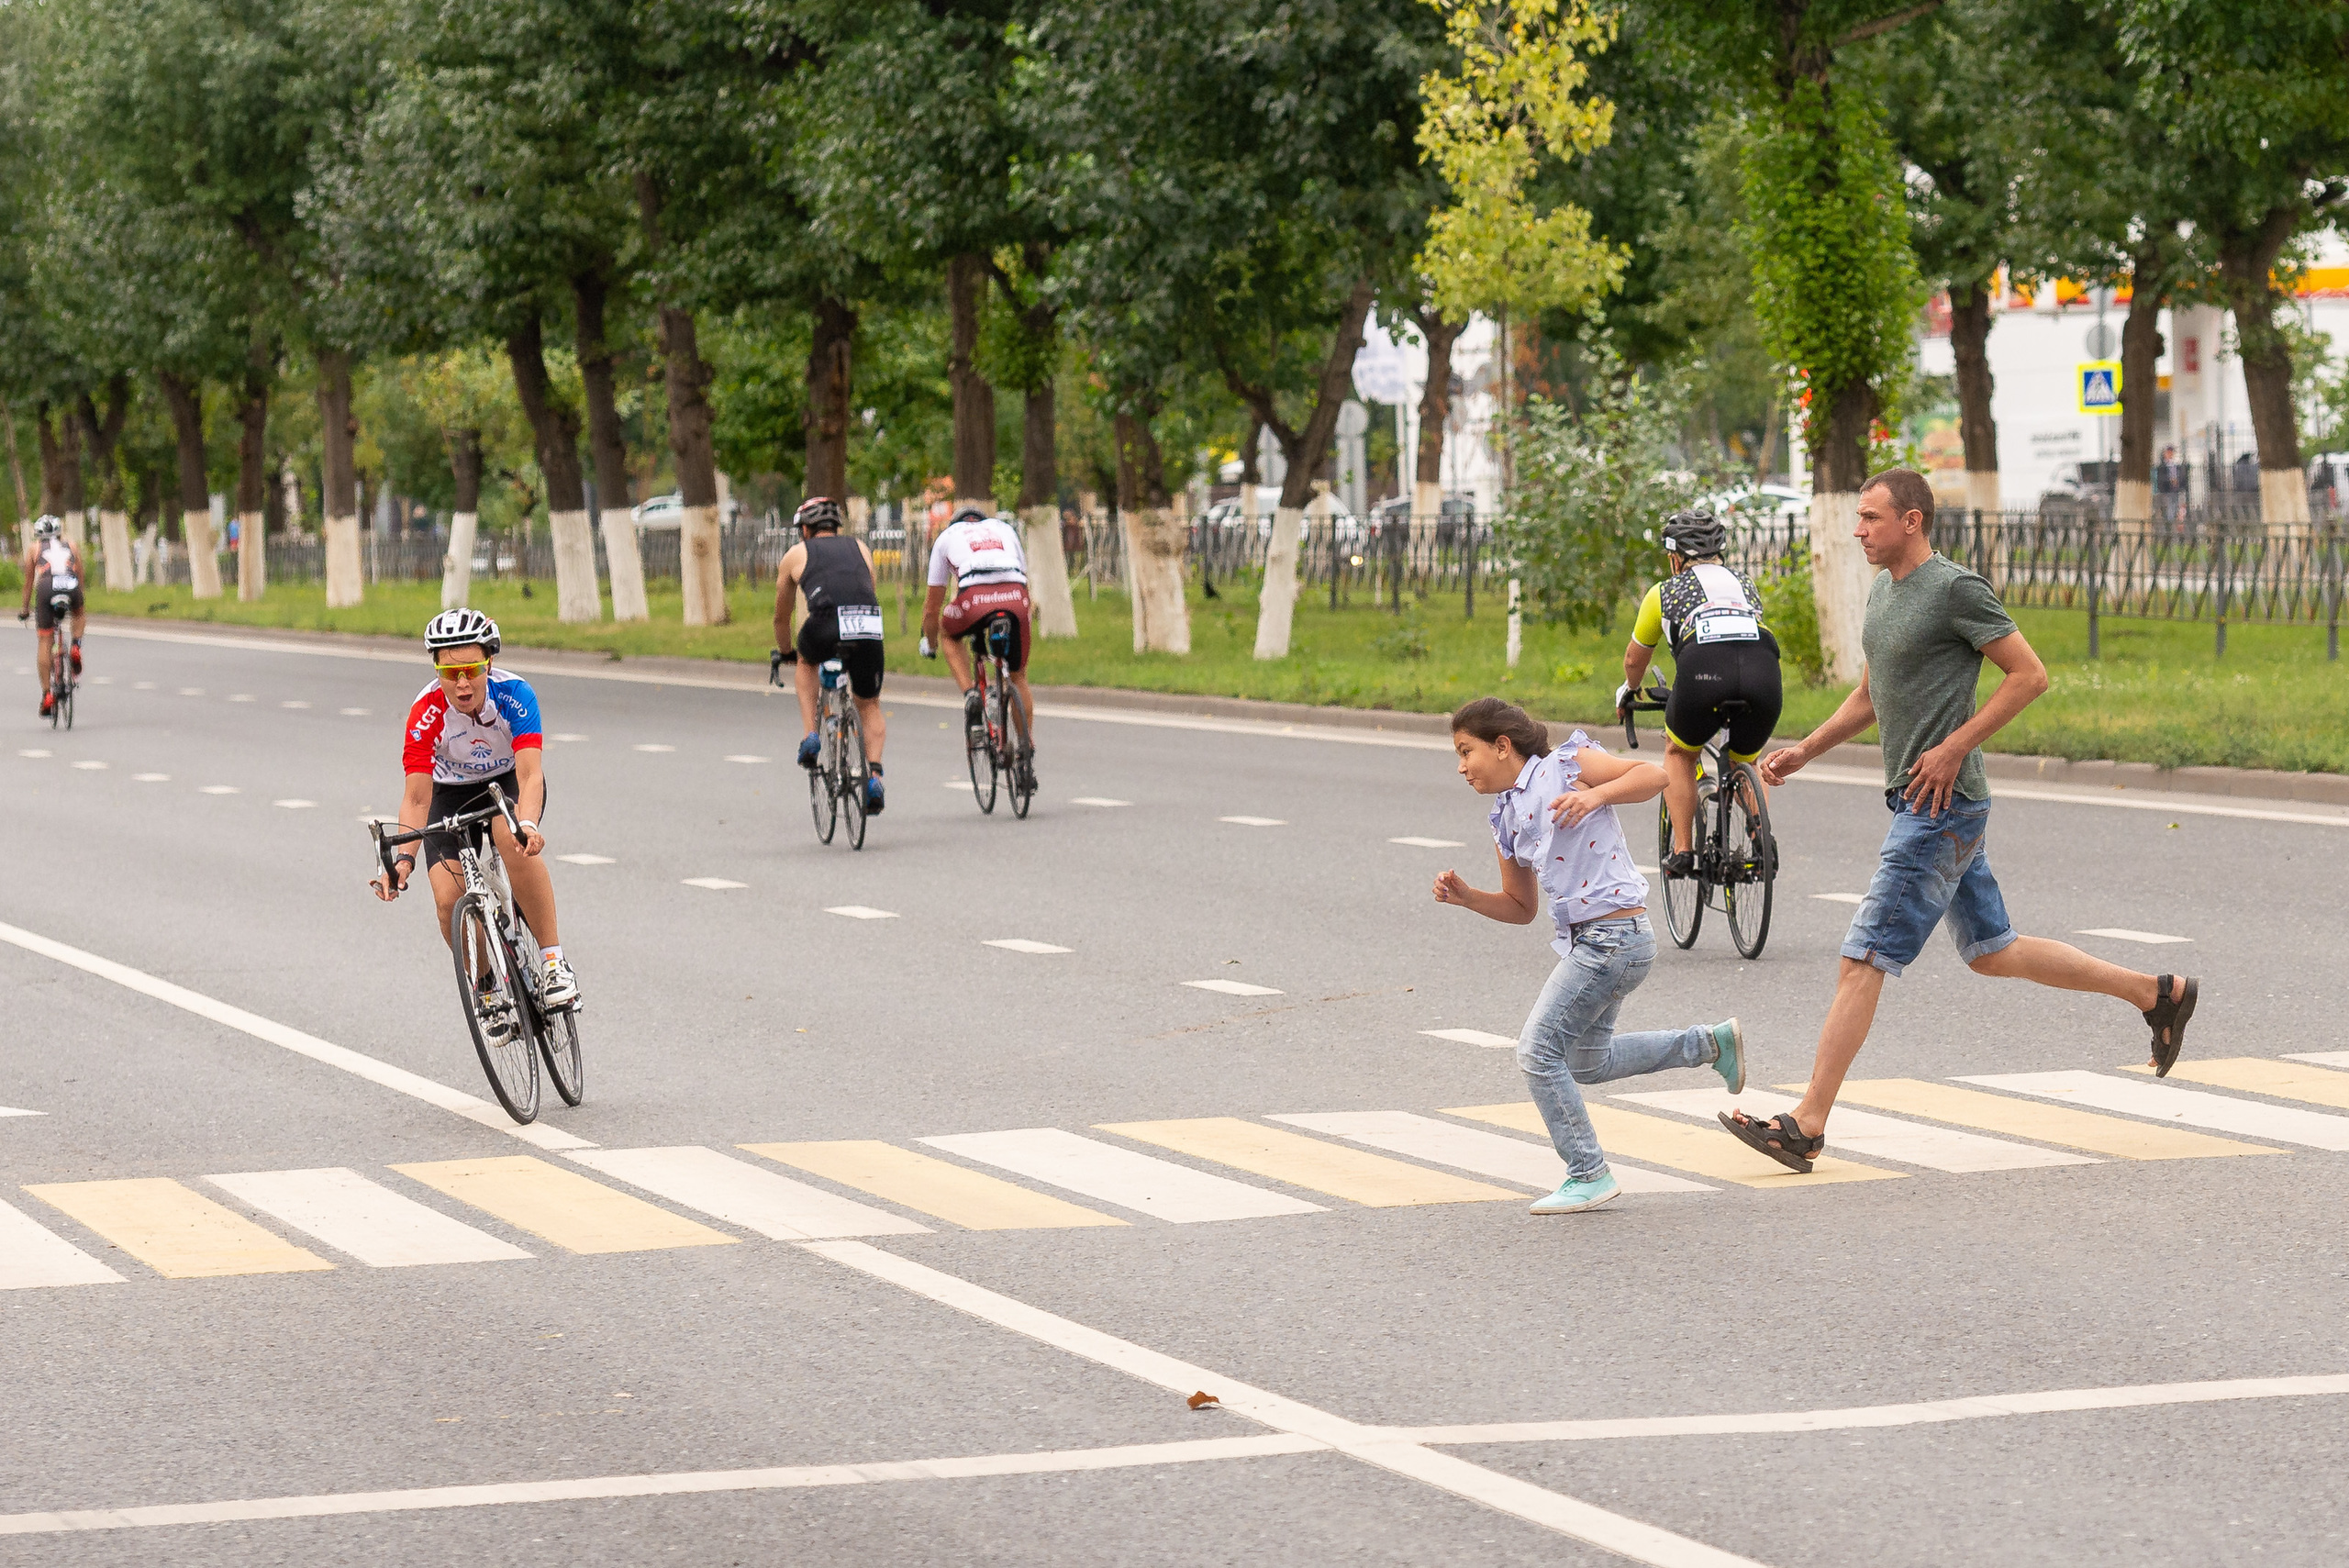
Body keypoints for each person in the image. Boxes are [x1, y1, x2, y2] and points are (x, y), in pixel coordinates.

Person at [1723, 467, 2198, 1173]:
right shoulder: (1884, 594)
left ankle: (1807, 1122)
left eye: (1872, 518)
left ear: (1912, 520)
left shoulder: (1954, 589)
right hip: (1928, 802)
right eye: (1856, 517)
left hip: (1939, 808)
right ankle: (2156, 993)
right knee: (1991, 950)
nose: (1858, 530)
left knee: (1862, 957)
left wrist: (1953, 746)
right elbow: (1871, 694)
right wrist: (1806, 751)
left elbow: (2029, 675)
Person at [1435, 696, 1749, 1215]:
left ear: (1502, 745)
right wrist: (1468, 897)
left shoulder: (1566, 764)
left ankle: (1588, 1172)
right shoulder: (1505, 817)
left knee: (1537, 1052)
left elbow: (1655, 778)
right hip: (1594, 943)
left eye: (1467, 751)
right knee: (1586, 1061)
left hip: (1615, 938)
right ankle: (1709, 1046)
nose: (1462, 767)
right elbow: (1520, 907)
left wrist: (1595, 796)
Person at [370, 608, 576, 1029]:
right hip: (450, 794)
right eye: (450, 673)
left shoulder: (516, 694)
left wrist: (529, 825)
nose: (462, 684)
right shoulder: (425, 712)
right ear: (437, 671)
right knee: (448, 899)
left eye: (471, 670)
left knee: (509, 833)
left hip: (508, 783)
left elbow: (530, 774)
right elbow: (416, 797)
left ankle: (555, 963)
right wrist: (402, 862)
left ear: (489, 664)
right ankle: (485, 986)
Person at [1617, 506, 1782, 874]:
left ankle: (1683, 852)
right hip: (1763, 671)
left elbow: (1634, 661)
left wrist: (1629, 691)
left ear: (1675, 558)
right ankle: (1762, 841)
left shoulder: (1663, 592)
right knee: (1745, 759)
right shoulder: (1745, 583)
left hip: (1703, 672)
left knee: (1679, 753)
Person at [772, 495, 887, 814]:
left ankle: (811, 736)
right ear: (836, 527)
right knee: (870, 704)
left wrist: (786, 652)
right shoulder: (861, 548)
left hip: (824, 624)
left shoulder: (796, 554)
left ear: (806, 530)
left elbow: (781, 617)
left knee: (807, 663)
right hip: (867, 624)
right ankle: (874, 774)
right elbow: (868, 590)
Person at [919, 504, 1036, 788]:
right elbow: (1024, 581)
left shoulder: (946, 538)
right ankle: (1025, 760)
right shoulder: (1004, 529)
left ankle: (971, 693)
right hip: (1015, 598)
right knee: (1018, 677)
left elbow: (932, 606)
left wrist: (930, 642)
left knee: (950, 634)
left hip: (973, 600)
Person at [17, 516, 86, 716]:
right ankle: (76, 646)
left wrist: (24, 609)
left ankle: (47, 694)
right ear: (59, 532)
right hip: (70, 584)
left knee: (45, 640)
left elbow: (29, 582)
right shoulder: (71, 544)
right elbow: (79, 573)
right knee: (79, 615)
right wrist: (79, 598)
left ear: (38, 534)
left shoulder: (34, 548)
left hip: (47, 588)